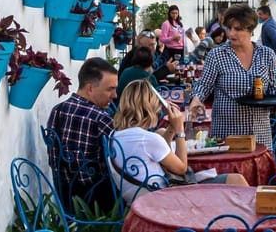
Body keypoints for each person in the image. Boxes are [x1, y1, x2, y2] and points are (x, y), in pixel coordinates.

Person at [112, 79, 248, 203]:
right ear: (150, 108)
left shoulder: (116, 135)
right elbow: (182, 168)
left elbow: (159, 151)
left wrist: (171, 127)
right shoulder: (147, 139)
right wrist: (179, 130)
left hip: (146, 194)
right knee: (236, 180)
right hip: (168, 198)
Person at [188, 4, 276, 149]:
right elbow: (204, 85)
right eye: (228, 28)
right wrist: (196, 99)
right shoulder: (217, 55)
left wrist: (273, 102)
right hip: (227, 132)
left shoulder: (267, 55)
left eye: (237, 29)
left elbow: (274, 89)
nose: (231, 34)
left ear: (250, 30)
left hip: (259, 132)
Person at [46, 57, 118, 212]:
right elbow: (122, 159)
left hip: (64, 198)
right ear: (90, 88)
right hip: (98, 205)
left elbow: (54, 161)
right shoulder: (101, 118)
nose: (114, 95)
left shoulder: (57, 110)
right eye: (110, 89)